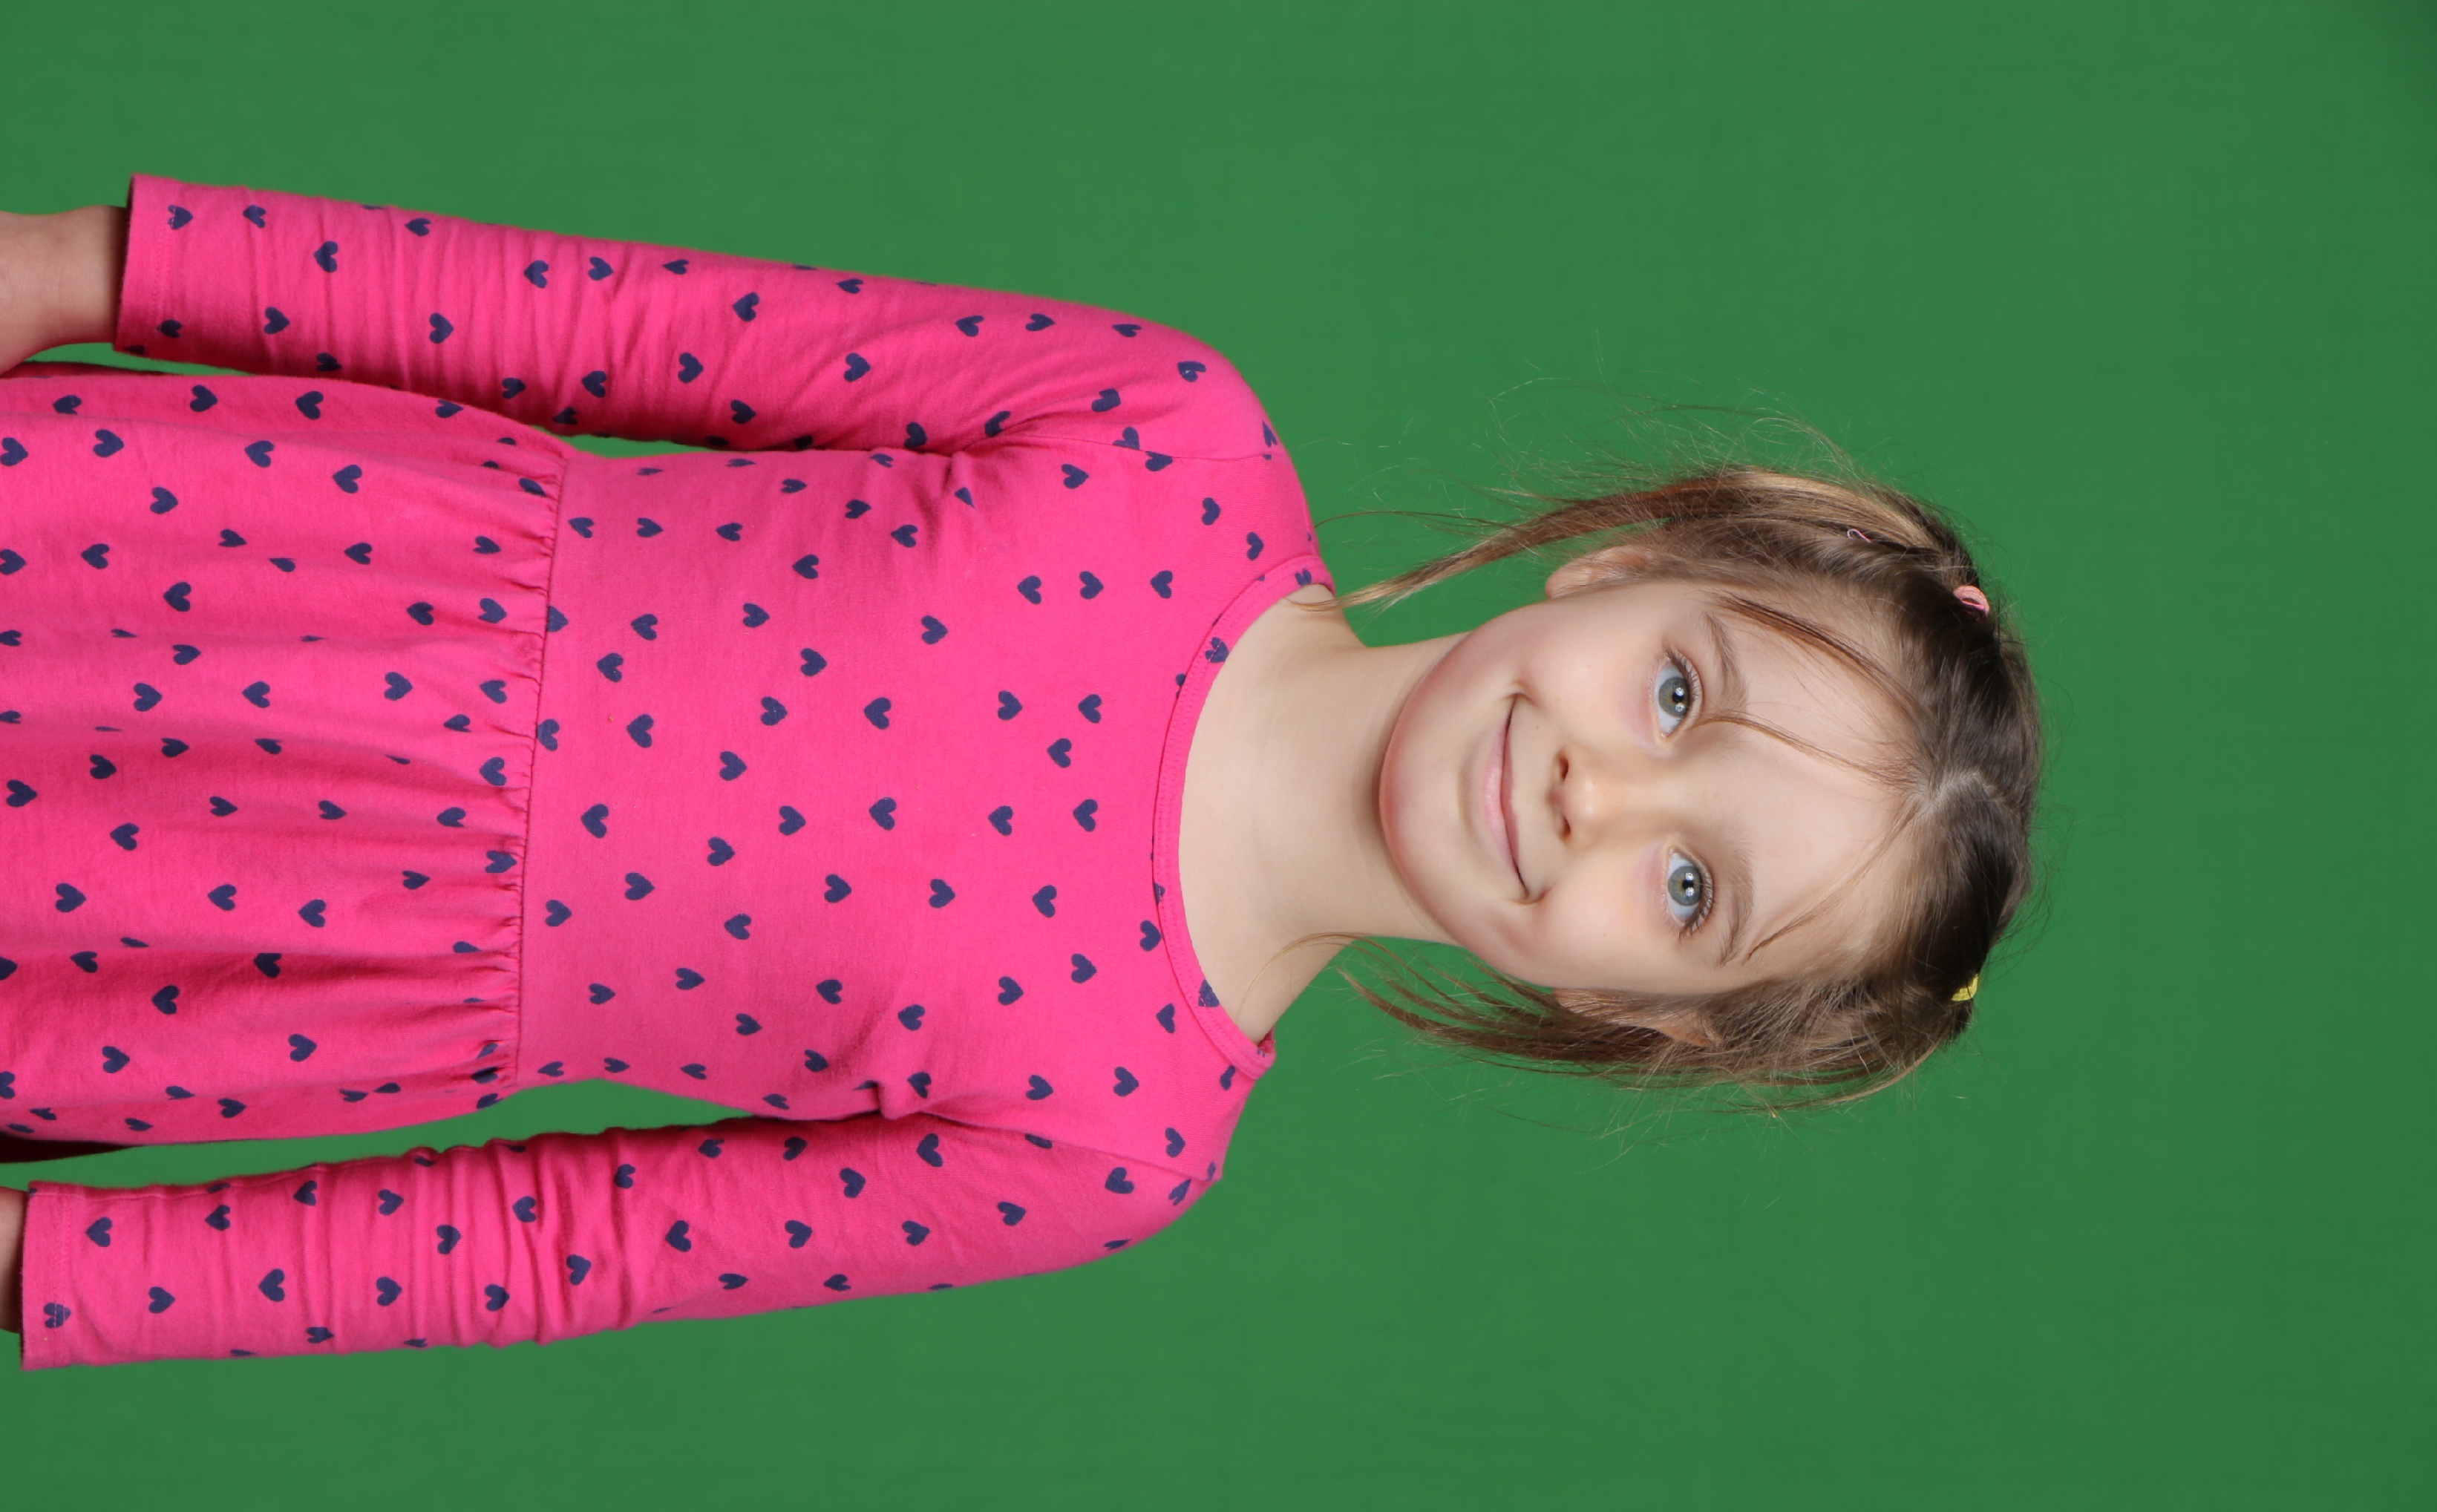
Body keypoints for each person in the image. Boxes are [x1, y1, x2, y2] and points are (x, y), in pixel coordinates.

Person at [0, 178, 2040, 1368]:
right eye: (1678, 694)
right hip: (223, 543)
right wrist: (90, 266)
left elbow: (566, 1244)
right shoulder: (1166, 431)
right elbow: (606, 322)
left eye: (1689, 891)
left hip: (233, 963)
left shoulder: (1115, 1147)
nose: (1605, 795)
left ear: (1626, 1009)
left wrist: (57, 1274)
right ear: (1631, 566)